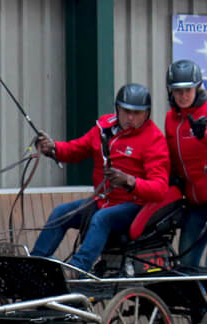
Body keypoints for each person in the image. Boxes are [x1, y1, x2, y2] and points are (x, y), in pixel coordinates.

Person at [31, 83, 170, 276]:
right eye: (126, 111)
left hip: (134, 207)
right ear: (117, 108)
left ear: (147, 113)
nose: (131, 118)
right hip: (103, 201)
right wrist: (53, 148)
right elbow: (77, 149)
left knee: (102, 218)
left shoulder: (154, 140)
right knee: (61, 213)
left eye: (137, 113)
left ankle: (77, 271)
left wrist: (130, 182)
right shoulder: (103, 127)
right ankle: (35, 266)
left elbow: (160, 188)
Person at [163, 58, 207, 268]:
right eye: (178, 91)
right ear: (171, 92)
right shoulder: (170, 119)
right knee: (186, 265)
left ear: (197, 88)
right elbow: (170, 153)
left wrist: (205, 134)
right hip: (195, 204)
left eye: (188, 90)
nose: (183, 96)